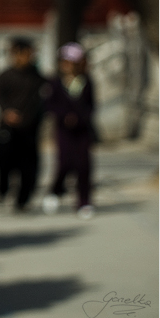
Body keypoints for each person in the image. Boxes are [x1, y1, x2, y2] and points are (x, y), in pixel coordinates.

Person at [42, 42, 97, 219]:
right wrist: (64, 116)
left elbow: (91, 106)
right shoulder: (56, 83)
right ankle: (55, 191)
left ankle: (84, 201)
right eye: (65, 61)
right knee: (64, 163)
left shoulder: (86, 82)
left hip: (82, 130)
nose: (68, 65)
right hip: (63, 130)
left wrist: (80, 118)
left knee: (83, 166)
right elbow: (51, 105)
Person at [0, 37, 47, 211]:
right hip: (7, 127)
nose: (28, 57)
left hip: (30, 128)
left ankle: (23, 200)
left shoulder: (37, 77)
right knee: (4, 162)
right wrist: (7, 111)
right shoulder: (5, 76)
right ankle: (3, 189)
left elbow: (42, 100)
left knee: (28, 166)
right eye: (24, 53)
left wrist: (33, 117)